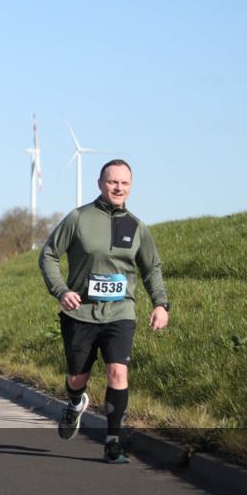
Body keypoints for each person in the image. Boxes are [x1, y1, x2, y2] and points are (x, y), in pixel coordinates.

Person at [39, 159, 170, 464]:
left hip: (120, 312)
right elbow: (48, 255)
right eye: (112, 182)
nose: (118, 188)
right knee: (76, 377)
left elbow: (152, 268)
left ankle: (113, 440)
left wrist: (160, 304)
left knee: (117, 371)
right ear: (100, 184)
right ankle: (74, 403)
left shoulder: (136, 227)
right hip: (80, 313)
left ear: (131, 186)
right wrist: (61, 291)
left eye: (124, 183)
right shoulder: (78, 218)